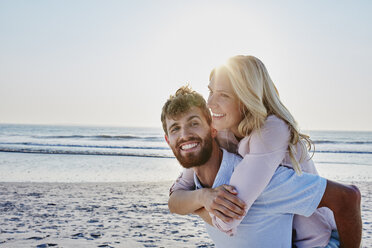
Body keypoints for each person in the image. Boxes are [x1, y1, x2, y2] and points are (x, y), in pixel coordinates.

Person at [164, 85, 361, 247]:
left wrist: (196, 207)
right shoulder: (193, 176)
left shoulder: (262, 179)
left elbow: (347, 197)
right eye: (175, 129)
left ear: (213, 129)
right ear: (167, 140)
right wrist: (203, 198)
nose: (184, 135)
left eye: (194, 123)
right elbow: (174, 202)